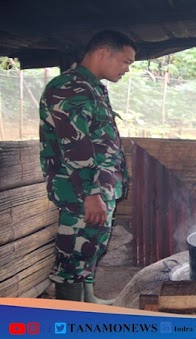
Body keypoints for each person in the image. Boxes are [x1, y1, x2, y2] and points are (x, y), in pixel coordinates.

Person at [39, 30, 136, 304]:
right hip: (81, 191)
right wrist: (91, 193)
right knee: (73, 255)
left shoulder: (91, 87)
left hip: (98, 189)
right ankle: (70, 315)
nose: (127, 69)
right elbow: (76, 147)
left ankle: (88, 301)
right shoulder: (70, 88)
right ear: (104, 52)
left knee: (90, 247)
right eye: (125, 61)